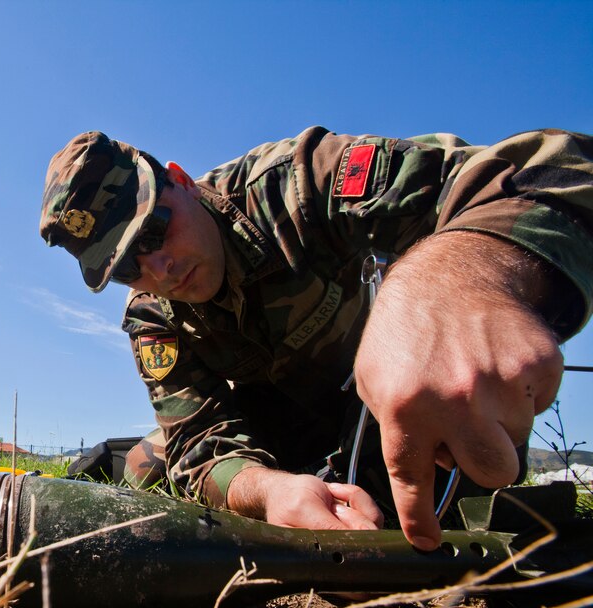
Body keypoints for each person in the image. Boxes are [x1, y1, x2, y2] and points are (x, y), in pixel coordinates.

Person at [39, 127, 592, 550]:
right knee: (148, 468)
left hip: (401, 404)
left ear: (182, 181)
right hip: (284, 436)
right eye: (128, 269)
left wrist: (460, 275)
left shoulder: (297, 185)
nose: (159, 267)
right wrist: (267, 489)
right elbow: (201, 440)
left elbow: (557, 169)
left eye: (156, 231)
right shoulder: (154, 317)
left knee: (449, 501)